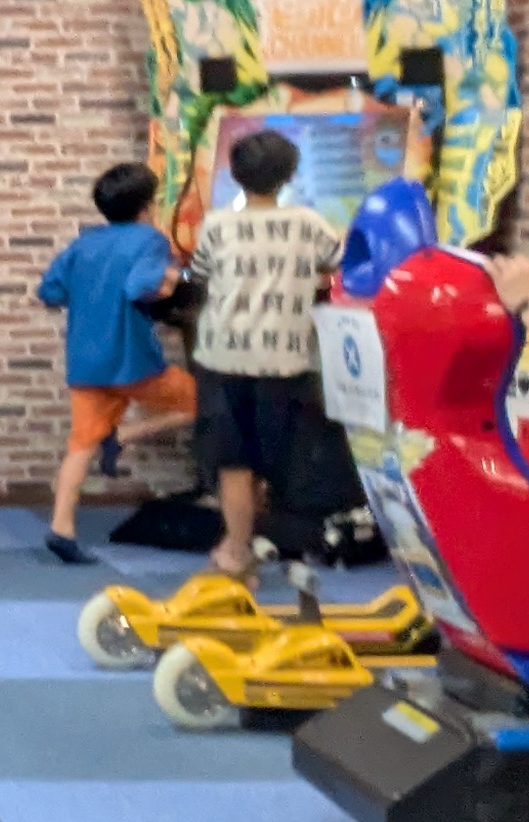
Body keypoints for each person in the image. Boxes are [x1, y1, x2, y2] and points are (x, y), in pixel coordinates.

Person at [189, 128, 343, 581]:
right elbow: (338, 266)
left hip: (224, 358)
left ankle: (236, 552)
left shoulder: (217, 225)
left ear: (236, 176)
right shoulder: (311, 225)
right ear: (290, 173)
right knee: (267, 460)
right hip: (285, 361)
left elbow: (199, 274)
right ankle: (243, 541)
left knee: (234, 462)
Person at [34, 158, 193, 564]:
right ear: (146, 206)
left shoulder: (84, 243)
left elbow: (50, 291)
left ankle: (61, 528)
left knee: (80, 445)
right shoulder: (149, 240)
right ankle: (123, 436)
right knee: (204, 402)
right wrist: (172, 278)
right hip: (131, 362)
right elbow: (142, 286)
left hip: (86, 365)